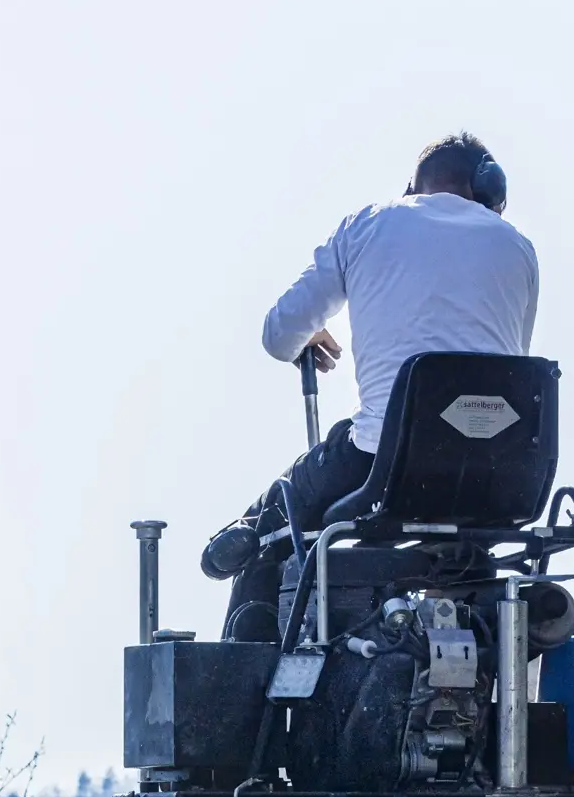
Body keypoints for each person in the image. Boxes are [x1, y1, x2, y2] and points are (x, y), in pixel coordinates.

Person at [207, 132, 540, 640]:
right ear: (489, 187)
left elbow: (278, 335)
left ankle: (242, 697)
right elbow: (506, 362)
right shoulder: (519, 247)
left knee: (277, 524)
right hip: (499, 476)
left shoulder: (369, 224)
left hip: (385, 465)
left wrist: (309, 335)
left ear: (414, 186)